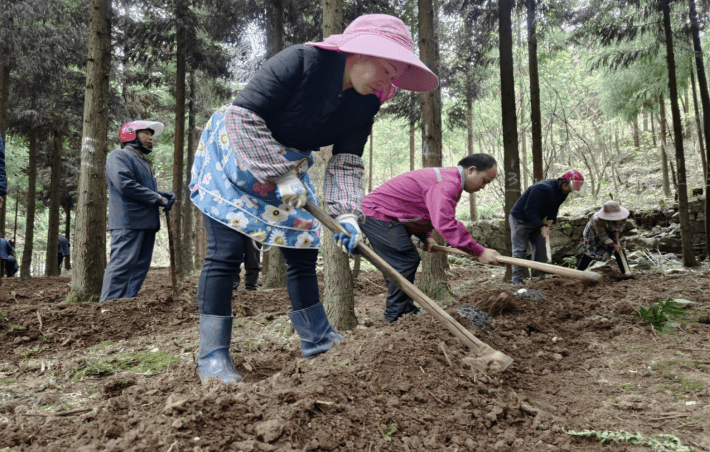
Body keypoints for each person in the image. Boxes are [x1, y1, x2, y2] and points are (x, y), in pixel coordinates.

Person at [189, 14, 438, 384]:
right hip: (236, 151)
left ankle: (317, 338)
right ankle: (212, 356)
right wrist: (281, 174)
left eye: (395, 76)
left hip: (288, 166)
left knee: (304, 248)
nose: (390, 82)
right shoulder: (301, 61)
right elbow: (243, 117)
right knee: (225, 253)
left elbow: (347, 162)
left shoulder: (365, 104)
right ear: (358, 53)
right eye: (386, 70)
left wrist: (348, 215)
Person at [361, 154, 501, 323]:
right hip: (377, 213)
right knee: (404, 261)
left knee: (405, 261)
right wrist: (479, 251)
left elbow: (420, 210)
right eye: (485, 181)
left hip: (389, 215)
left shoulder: (448, 179)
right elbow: (446, 224)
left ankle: (405, 311)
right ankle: (396, 316)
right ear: (471, 170)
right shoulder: (447, 184)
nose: (484, 187)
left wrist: (425, 236)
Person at [100, 121, 176, 302]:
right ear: (130, 135)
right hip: (129, 222)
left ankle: (126, 304)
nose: (150, 138)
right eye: (145, 134)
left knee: (139, 267)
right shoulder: (119, 156)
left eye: (151, 135)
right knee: (122, 265)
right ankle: (108, 307)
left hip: (146, 223)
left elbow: (140, 188)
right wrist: (157, 198)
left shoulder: (142, 161)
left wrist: (161, 194)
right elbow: (125, 184)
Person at [509, 170, 584, 285]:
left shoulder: (562, 192)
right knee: (520, 250)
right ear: (564, 184)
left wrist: (551, 220)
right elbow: (529, 210)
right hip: (520, 220)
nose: (570, 192)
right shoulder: (541, 189)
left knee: (541, 249)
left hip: (537, 220)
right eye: (570, 189)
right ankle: (517, 280)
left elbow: (554, 207)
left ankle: (537, 278)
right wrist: (541, 226)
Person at [577, 200, 630, 274]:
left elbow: (622, 223)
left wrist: (618, 231)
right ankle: (579, 272)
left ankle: (625, 272)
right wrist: (614, 245)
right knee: (589, 253)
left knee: (619, 249)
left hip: (610, 231)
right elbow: (602, 235)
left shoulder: (622, 216)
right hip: (594, 234)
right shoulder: (597, 220)